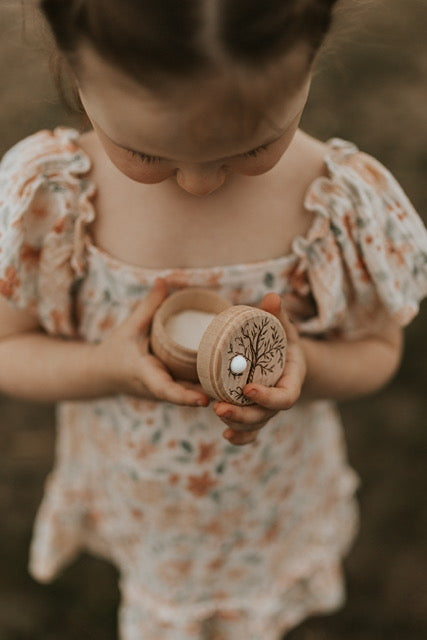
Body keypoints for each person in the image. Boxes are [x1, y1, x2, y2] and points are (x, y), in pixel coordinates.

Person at [0, 0, 426, 638]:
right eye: (144, 153)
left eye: (256, 145)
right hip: (140, 501)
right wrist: (103, 367)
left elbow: (378, 351)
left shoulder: (334, 202)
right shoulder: (54, 196)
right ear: (77, 71)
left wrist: (310, 366)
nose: (199, 184)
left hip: (269, 505)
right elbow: (9, 349)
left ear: (309, 59)